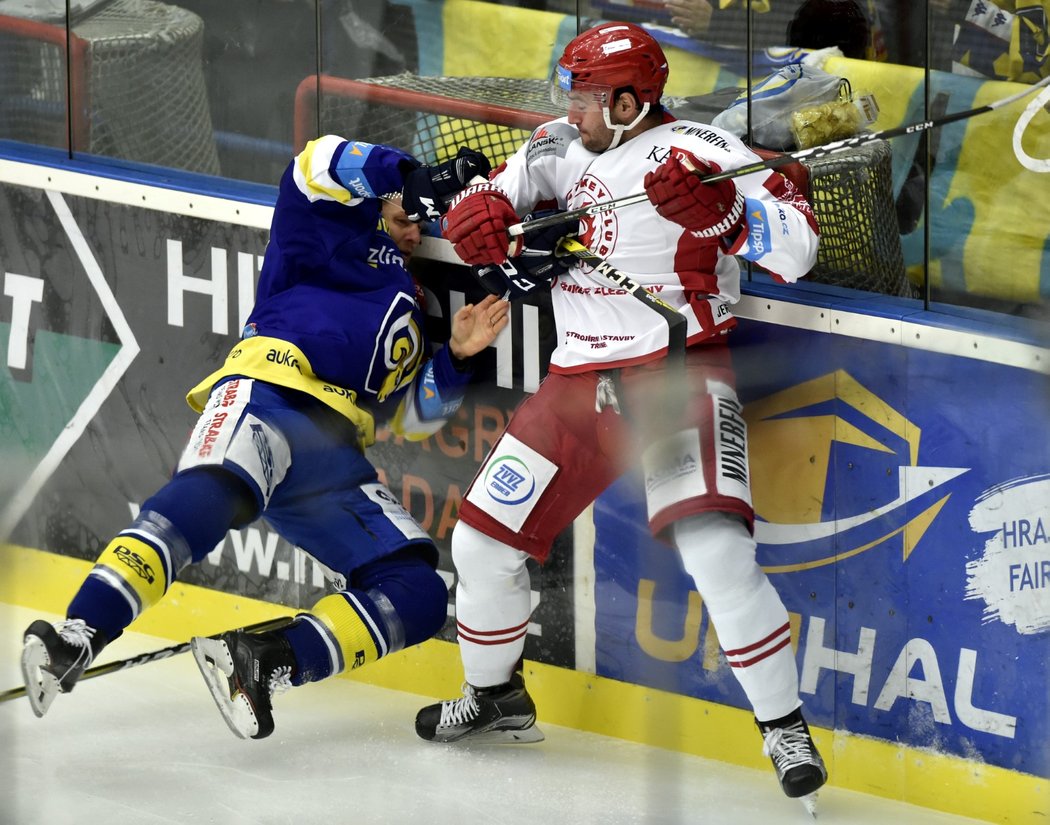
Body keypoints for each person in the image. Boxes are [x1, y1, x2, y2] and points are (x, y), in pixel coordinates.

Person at [414, 21, 829, 806]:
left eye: (586, 94)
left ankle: (783, 726)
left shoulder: (706, 150)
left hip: (674, 376)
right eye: (568, 93)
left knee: (715, 552)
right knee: (480, 540)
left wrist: (725, 221)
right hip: (577, 384)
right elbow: (494, 194)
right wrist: (477, 215)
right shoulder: (552, 146)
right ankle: (495, 693)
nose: (571, 108)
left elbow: (799, 250)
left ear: (634, 101)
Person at [20, 135, 510, 741]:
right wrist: (404, 174)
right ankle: (80, 632)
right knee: (213, 494)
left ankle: (269, 660)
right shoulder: (323, 231)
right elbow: (315, 161)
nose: (414, 229)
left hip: (336, 456)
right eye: (406, 214)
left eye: (421, 223)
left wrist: (457, 358)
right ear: (377, 202)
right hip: (270, 391)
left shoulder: (406, 301)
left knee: (417, 590)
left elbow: (411, 421)